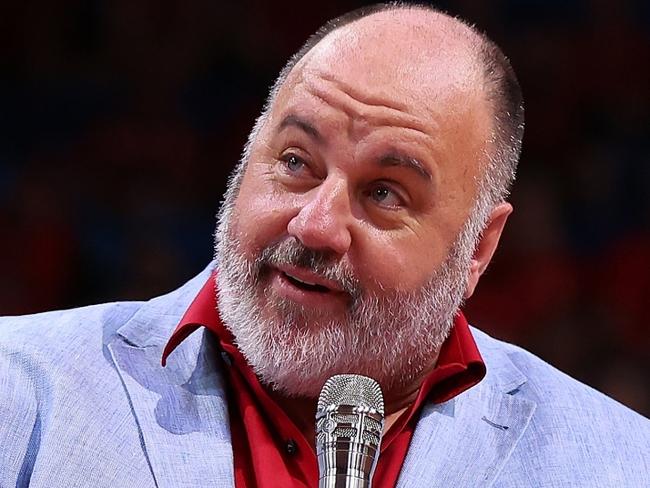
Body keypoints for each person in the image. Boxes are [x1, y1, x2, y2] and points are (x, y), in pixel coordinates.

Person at [1, 4, 648, 487]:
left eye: (385, 193)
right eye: (295, 160)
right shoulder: (21, 391)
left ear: (477, 248)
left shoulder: (618, 463)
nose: (314, 225)